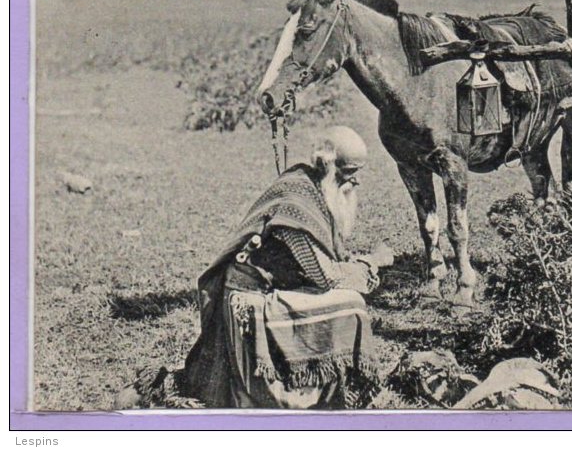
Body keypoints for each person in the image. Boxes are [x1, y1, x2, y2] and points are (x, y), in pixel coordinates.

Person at [116, 126, 392, 409]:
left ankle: (324, 385)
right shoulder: (295, 206)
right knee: (352, 305)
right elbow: (326, 277)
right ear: (328, 166)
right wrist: (371, 264)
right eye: (348, 173)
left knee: (345, 300)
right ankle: (317, 390)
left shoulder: (308, 184)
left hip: (263, 289)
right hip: (250, 302)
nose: (355, 181)